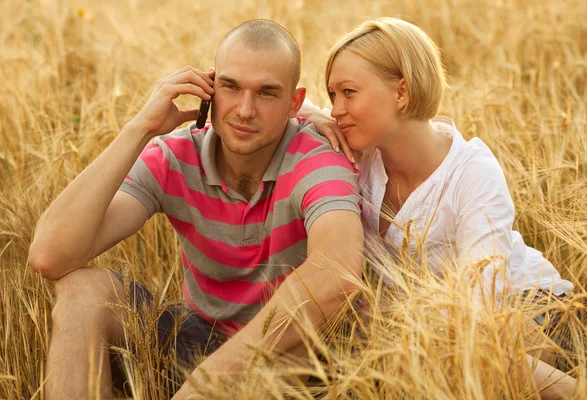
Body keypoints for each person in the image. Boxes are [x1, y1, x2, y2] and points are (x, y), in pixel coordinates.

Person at [27, 20, 364, 399]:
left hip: (291, 362)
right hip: (196, 344)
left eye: (267, 93)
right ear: (209, 86)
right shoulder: (174, 156)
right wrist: (140, 128)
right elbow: (49, 256)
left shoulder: (316, 159)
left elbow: (338, 272)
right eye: (231, 86)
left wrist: (211, 381)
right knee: (82, 289)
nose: (245, 110)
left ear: (295, 103)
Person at [299, 17, 580, 400]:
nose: (336, 110)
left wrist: (406, 331)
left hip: (528, 311)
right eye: (332, 96)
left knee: (458, 350)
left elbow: (478, 308)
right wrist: (310, 114)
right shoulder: (358, 156)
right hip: (430, 326)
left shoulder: (472, 172)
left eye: (348, 92)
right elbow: (283, 107)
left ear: (401, 92)